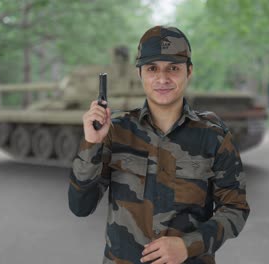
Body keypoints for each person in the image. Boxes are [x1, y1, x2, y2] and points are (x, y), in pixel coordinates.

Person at [68, 25, 250, 264]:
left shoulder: (213, 135)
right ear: (139, 73)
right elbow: (80, 207)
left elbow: (235, 208)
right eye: (152, 68)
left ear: (189, 71)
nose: (163, 78)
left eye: (173, 68)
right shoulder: (116, 130)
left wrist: (188, 246)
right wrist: (91, 144)